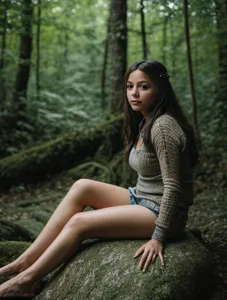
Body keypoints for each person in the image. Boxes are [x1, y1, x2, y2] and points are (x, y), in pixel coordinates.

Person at [0, 59, 199, 298]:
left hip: (163, 213)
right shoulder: (145, 120)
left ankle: (25, 282)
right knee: (82, 186)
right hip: (142, 198)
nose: (134, 93)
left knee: (79, 222)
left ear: (160, 89)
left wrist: (158, 237)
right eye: (129, 86)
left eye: (144, 87)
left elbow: (173, 188)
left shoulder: (163, 127)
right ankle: (24, 262)